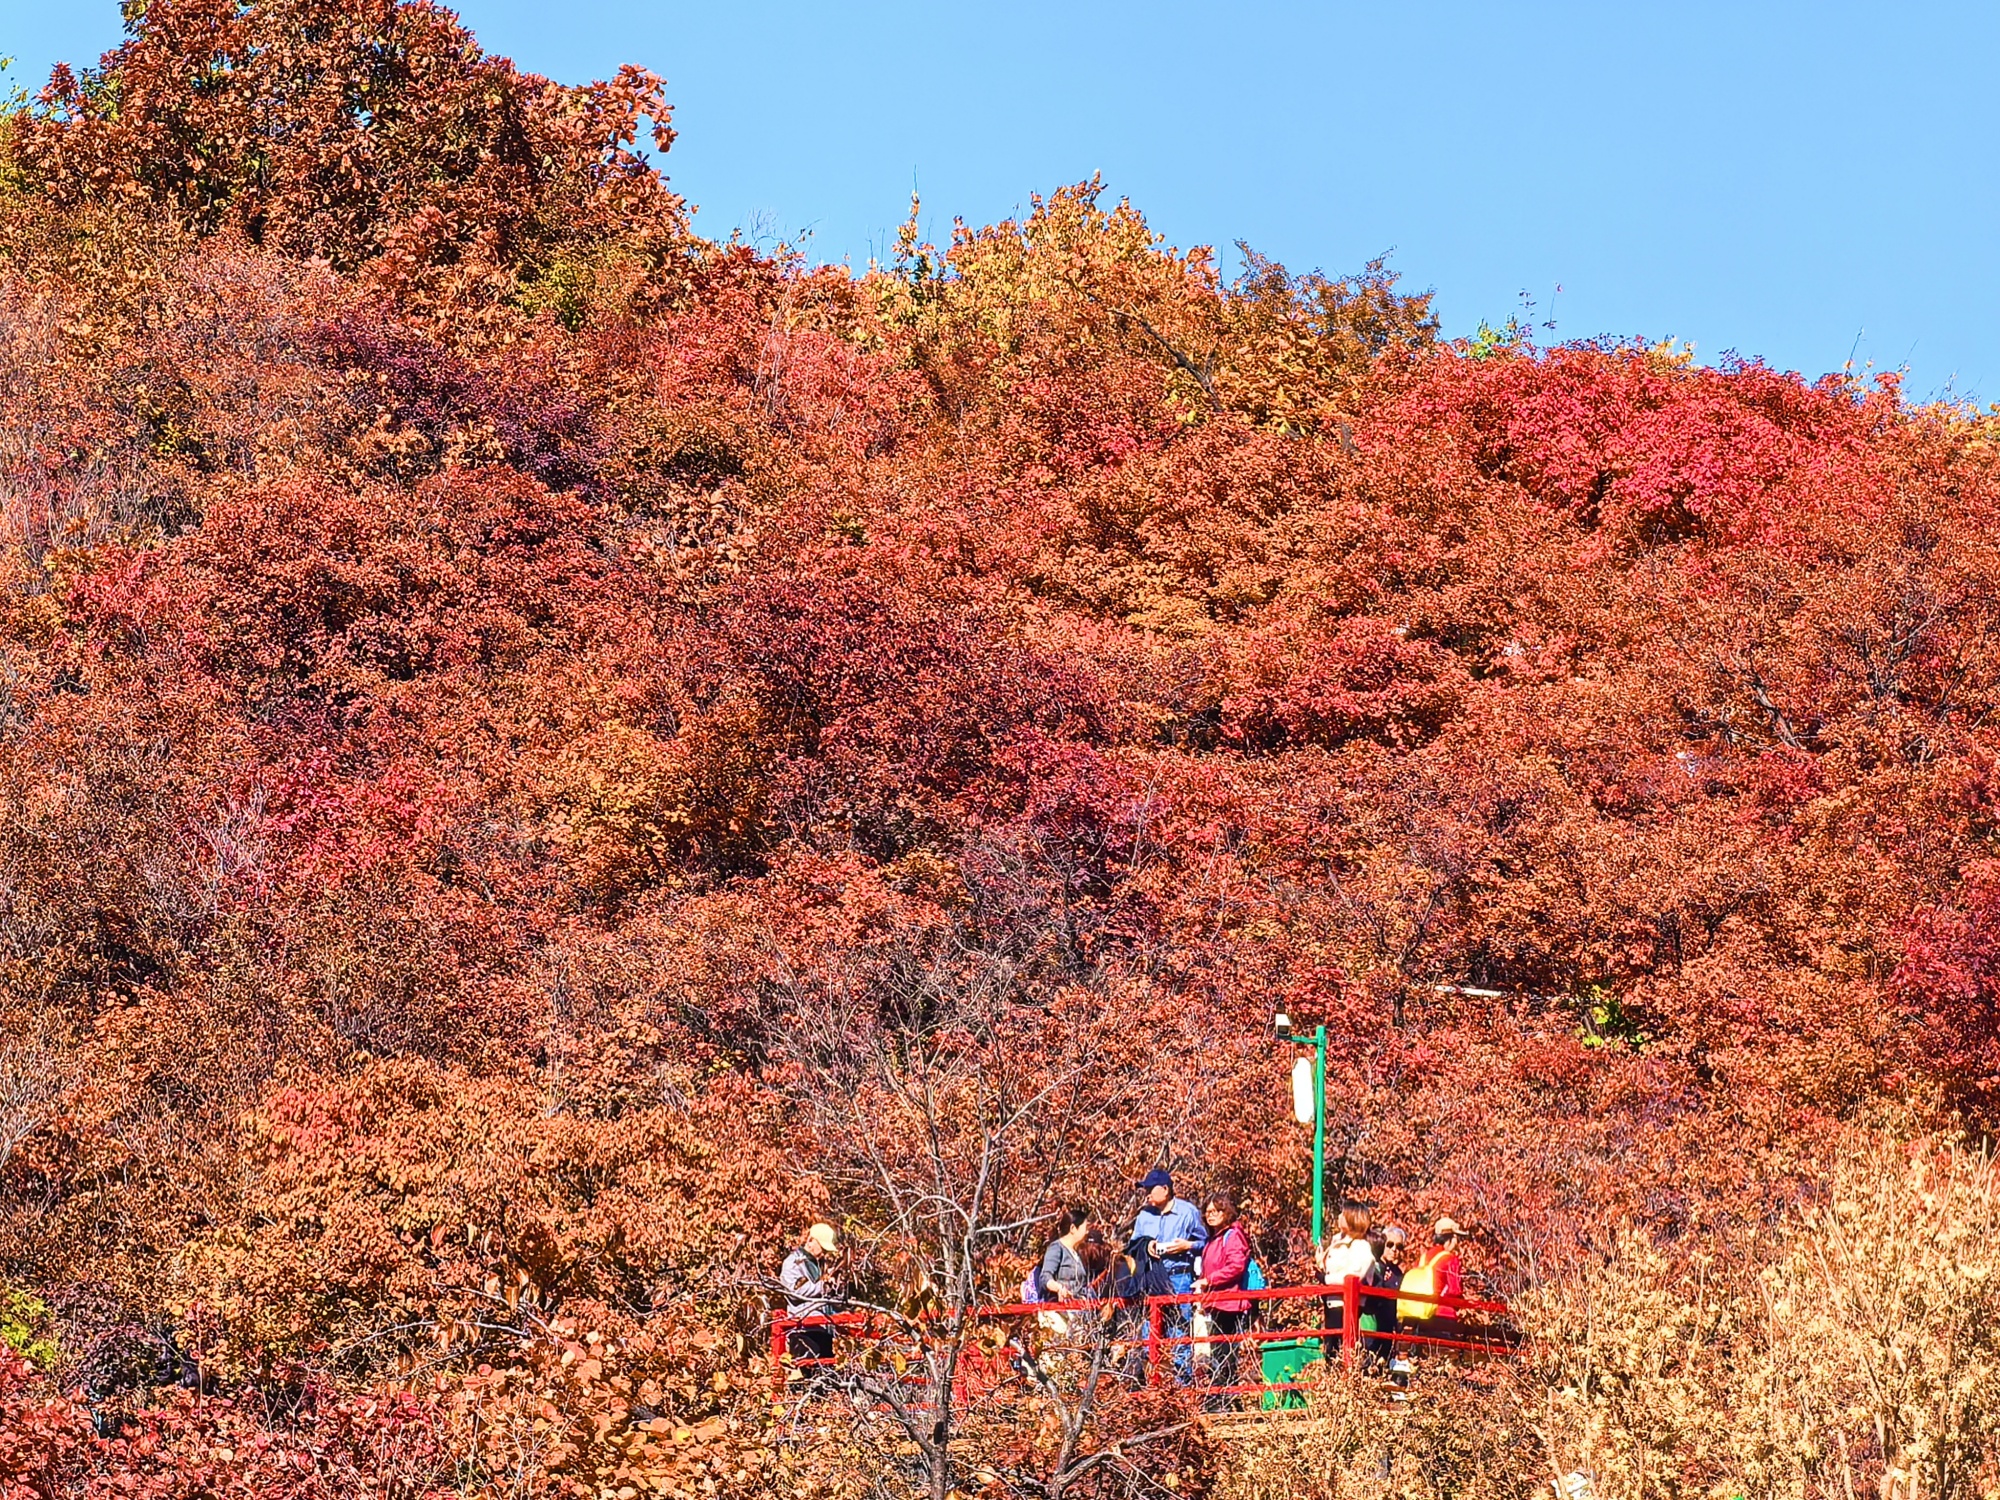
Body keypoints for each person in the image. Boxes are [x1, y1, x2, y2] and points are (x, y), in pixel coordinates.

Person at [1132, 1169, 1207, 1380]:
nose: (1146, 1194)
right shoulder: (1144, 1216)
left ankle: (1181, 1389)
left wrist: (1187, 1245)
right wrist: (1147, 1246)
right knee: (1150, 1334)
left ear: (1165, 1189)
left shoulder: (1188, 1212)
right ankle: (1153, 1389)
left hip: (1179, 1275)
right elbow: (1132, 1246)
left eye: (1150, 1189)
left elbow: (1206, 1243)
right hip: (1152, 1277)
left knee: (1179, 1334)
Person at [1191, 1193, 1252, 1397]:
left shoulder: (1232, 1236)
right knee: (1219, 1350)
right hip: (1216, 1301)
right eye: (1208, 1212)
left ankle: (1225, 1395)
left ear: (1226, 1212)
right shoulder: (1213, 1239)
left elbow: (1236, 1266)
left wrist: (1210, 1280)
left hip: (1229, 1302)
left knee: (1224, 1351)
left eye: (1216, 1211)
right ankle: (1225, 1395)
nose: (1211, 1215)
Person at [779, 1222, 843, 1377]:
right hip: (803, 1330)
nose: (824, 1254)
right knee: (808, 1375)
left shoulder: (818, 1264)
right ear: (811, 1240)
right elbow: (794, 1292)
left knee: (828, 1377)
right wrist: (823, 1286)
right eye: (823, 1248)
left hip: (823, 1329)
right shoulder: (792, 1264)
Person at [1399, 1216, 1467, 1350]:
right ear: (1451, 1238)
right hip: (1443, 1316)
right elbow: (1455, 1290)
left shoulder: (1423, 1258)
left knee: (1424, 1358)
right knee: (1444, 1358)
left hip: (1421, 1314)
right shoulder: (1451, 1259)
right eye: (1456, 1238)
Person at [1318, 1200, 1375, 1357]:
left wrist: (1327, 1279)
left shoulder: (1360, 1246)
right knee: (1330, 1348)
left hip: (1346, 1303)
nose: (1339, 1216)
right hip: (1332, 1301)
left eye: (1343, 1214)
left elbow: (1354, 1274)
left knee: (1341, 1349)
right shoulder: (1337, 1241)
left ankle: (1344, 1377)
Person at [1360, 1227, 1404, 1372]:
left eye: (1399, 1246)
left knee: (1381, 1370)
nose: (1394, 1250)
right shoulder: (1373, 1268)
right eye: (1390, 1244)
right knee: (1366, 1368)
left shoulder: (1398, 1274)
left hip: (1388, 1331)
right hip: (1371, 1327)